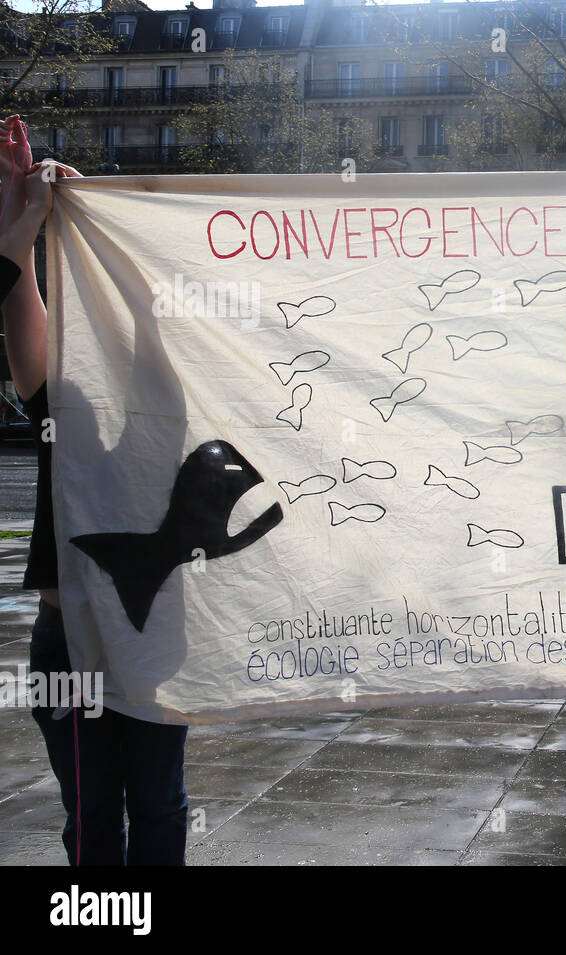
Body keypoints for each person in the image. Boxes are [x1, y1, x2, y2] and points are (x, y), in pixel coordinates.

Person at [0, 115, 189, 865]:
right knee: (108, 814)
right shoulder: (62, 402)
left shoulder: (168, 413)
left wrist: (66, 232)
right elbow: (16, 306)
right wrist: (27, 221)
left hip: (140, 633)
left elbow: (152, 320)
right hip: (75, 637)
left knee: (142, 808)